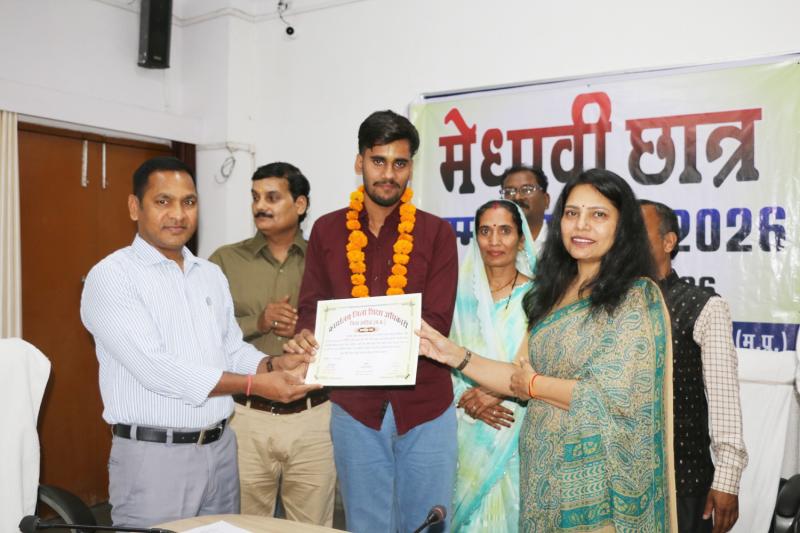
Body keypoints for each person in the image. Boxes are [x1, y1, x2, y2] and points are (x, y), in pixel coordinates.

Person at [417, 168, 678, 532]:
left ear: (622, 226)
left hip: (598, 489)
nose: (581, 225)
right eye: (572, 213)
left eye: (598, 214)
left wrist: (535, 385)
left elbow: (613, 396)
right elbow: (517, 376)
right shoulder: (554, 292)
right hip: (542, 479)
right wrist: (452, 354)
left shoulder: (634, 298)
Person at [80, 156, 319, 527]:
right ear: (134, 207)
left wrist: (271, 364)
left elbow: (231, 348)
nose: (178, 214)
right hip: (154, 458)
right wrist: (255, 385)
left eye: (188, 202)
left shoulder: (209, 274)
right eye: (163, 201)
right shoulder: (112, 277)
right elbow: (157, 369)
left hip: (220, 451)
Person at [287, 110, 459, 533]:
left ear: (411, 167)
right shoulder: (327, 231)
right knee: (366, 526)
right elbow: (311, 306)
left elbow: (436, 320)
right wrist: (306, 335)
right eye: (378, 161)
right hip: (356, 407)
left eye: (399, 163)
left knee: (427, 525)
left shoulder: (436, 233)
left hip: (425, 405)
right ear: (359, 161)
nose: (388, 174)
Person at [209, 163, 335, 526]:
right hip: (246, 417)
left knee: (311, 527)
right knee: (245, 526)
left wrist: (308, 330)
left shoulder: (329, 261)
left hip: (313, 417)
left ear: (300, 204)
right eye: (255, 197)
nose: (260, 206)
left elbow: (350, 327)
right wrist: (258, 323)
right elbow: (205, 334)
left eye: (272, 197)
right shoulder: (224, 261)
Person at [641, 200, 747, 533]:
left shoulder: (705, 306)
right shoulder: (608, 307)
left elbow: (724, 402)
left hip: (683, 484)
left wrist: (727, 479)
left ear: (668, 242)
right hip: (619, 484)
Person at [450, 200, 535, 532]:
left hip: (515, 427)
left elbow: (536, 361)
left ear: (521, 239)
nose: (494, 241)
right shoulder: (458, 295)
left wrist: (495, 393)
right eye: (485, 231)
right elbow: (443, 355)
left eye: (505, 231)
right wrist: (468, 398)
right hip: (463, 426)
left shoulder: (540, 295)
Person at [499, 165, 551, 254]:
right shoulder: (494, 244)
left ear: (546, 200)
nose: (517, 197)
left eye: (527, 190)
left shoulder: (561, 241)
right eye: (509, 192)